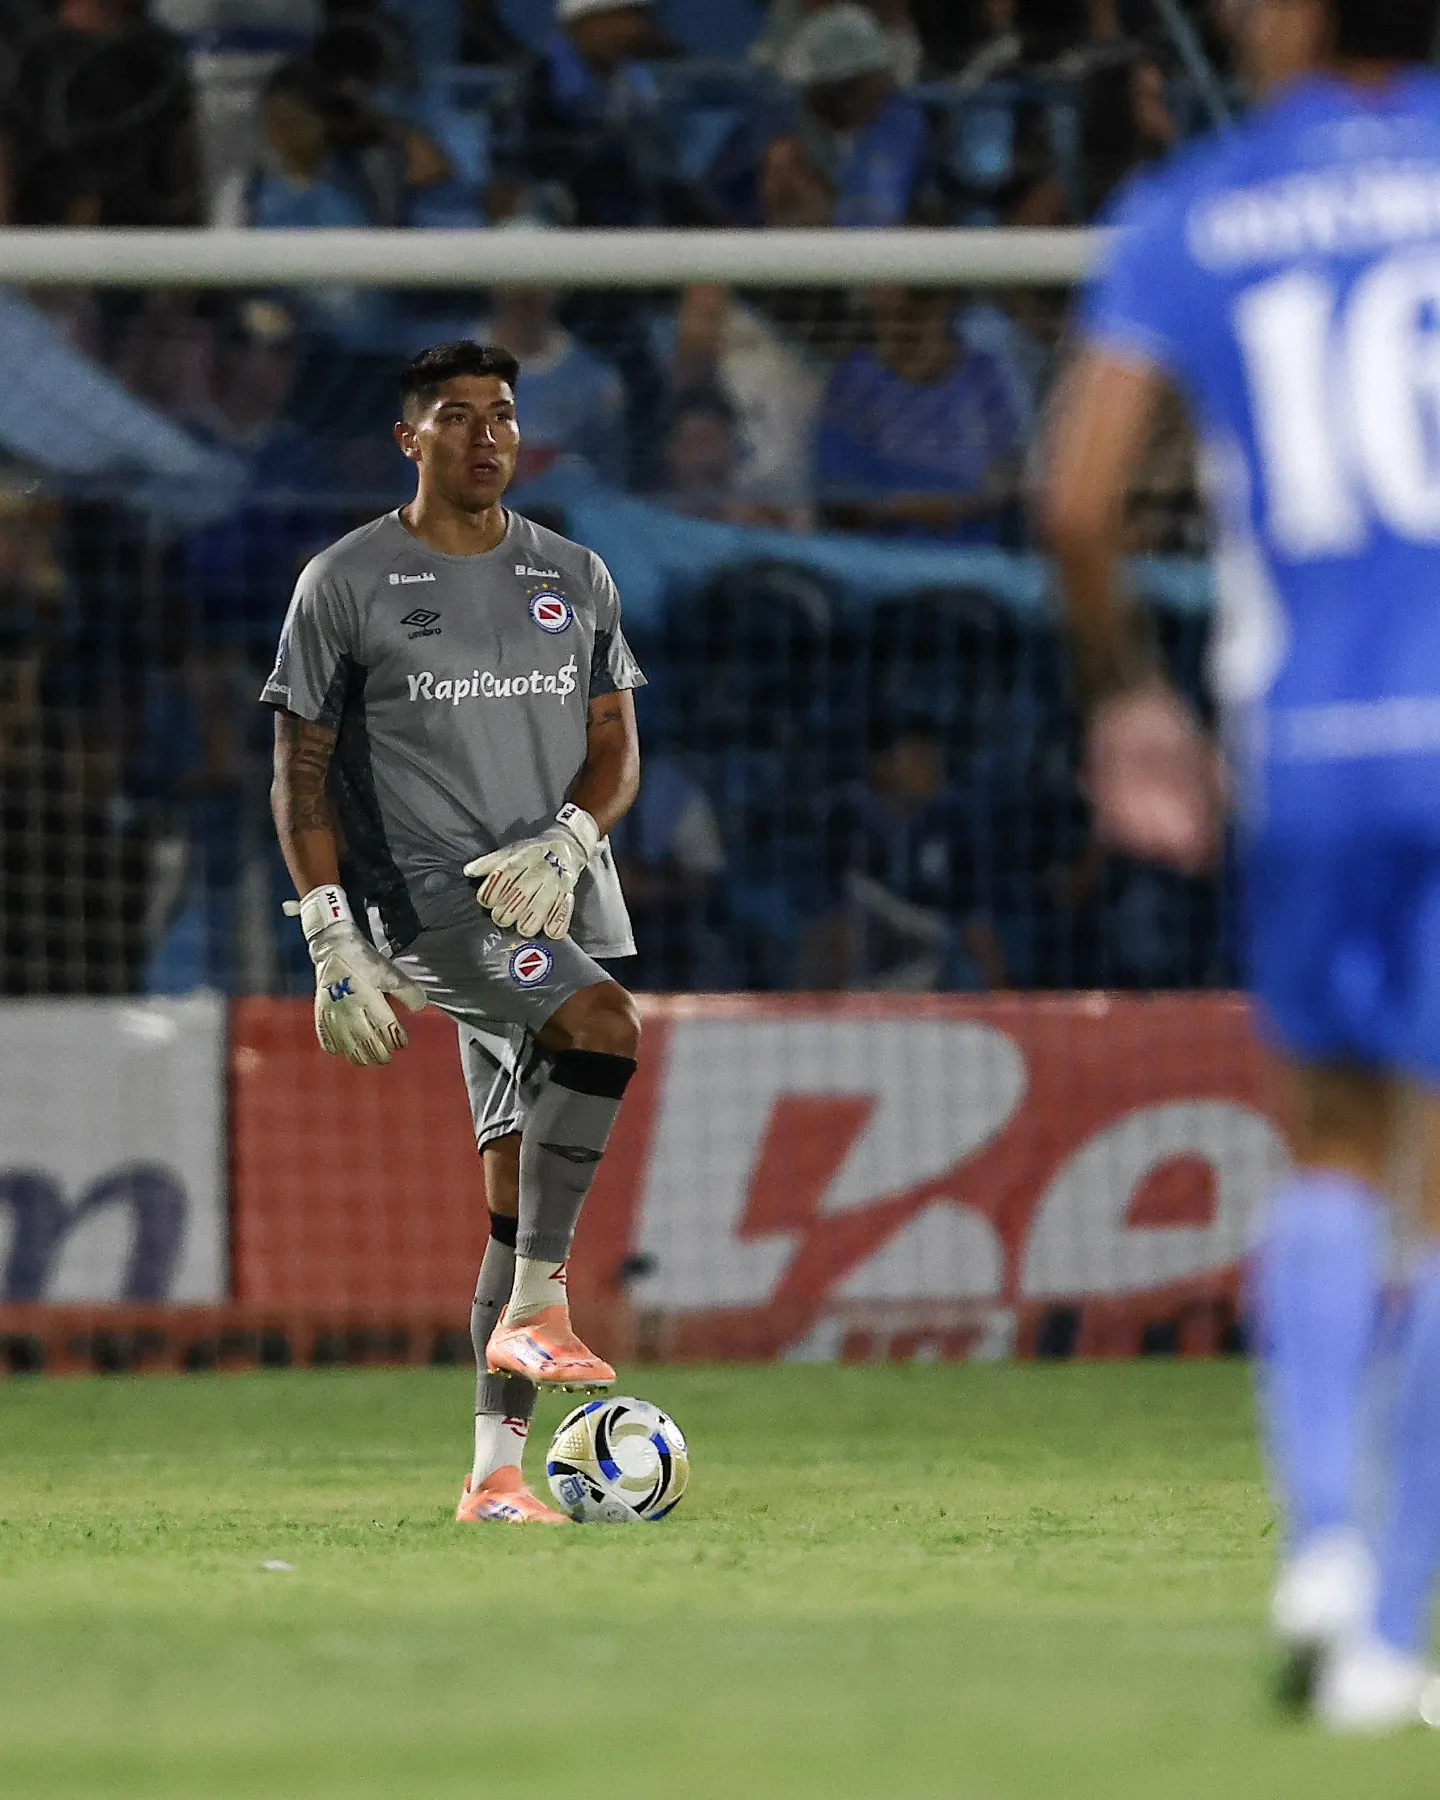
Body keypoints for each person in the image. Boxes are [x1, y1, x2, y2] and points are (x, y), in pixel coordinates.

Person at [1042, 0, 1440, 1733]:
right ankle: (1392, 1627)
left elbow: (1074, 501)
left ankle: (1328, 1542)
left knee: (1339, 1147)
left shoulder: (1197, 207)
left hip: (1318, 748)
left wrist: (1131, 698)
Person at [261, 340, 646, 1527]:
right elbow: (301, 772)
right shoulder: (345, 581)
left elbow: (618, 744)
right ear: (409, 439)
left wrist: (576, 835)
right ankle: (540, 1302)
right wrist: (332, 934)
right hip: (427, 903)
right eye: (459, 417)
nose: (488, 436)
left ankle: (491, 1480)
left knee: (514, 1186)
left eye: (503, 416)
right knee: (605, 1024)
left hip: (550, 899)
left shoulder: (572, 573)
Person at [817, 285, 1022, 542]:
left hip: (975, 559)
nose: (900, 327)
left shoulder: (983, 376)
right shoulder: (855, 381)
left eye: (913, 314)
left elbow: (1010, 473)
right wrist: (909, 507)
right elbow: (836, 491)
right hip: (877, 559)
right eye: (886, 316)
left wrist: (962, 504)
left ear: (943, 308)